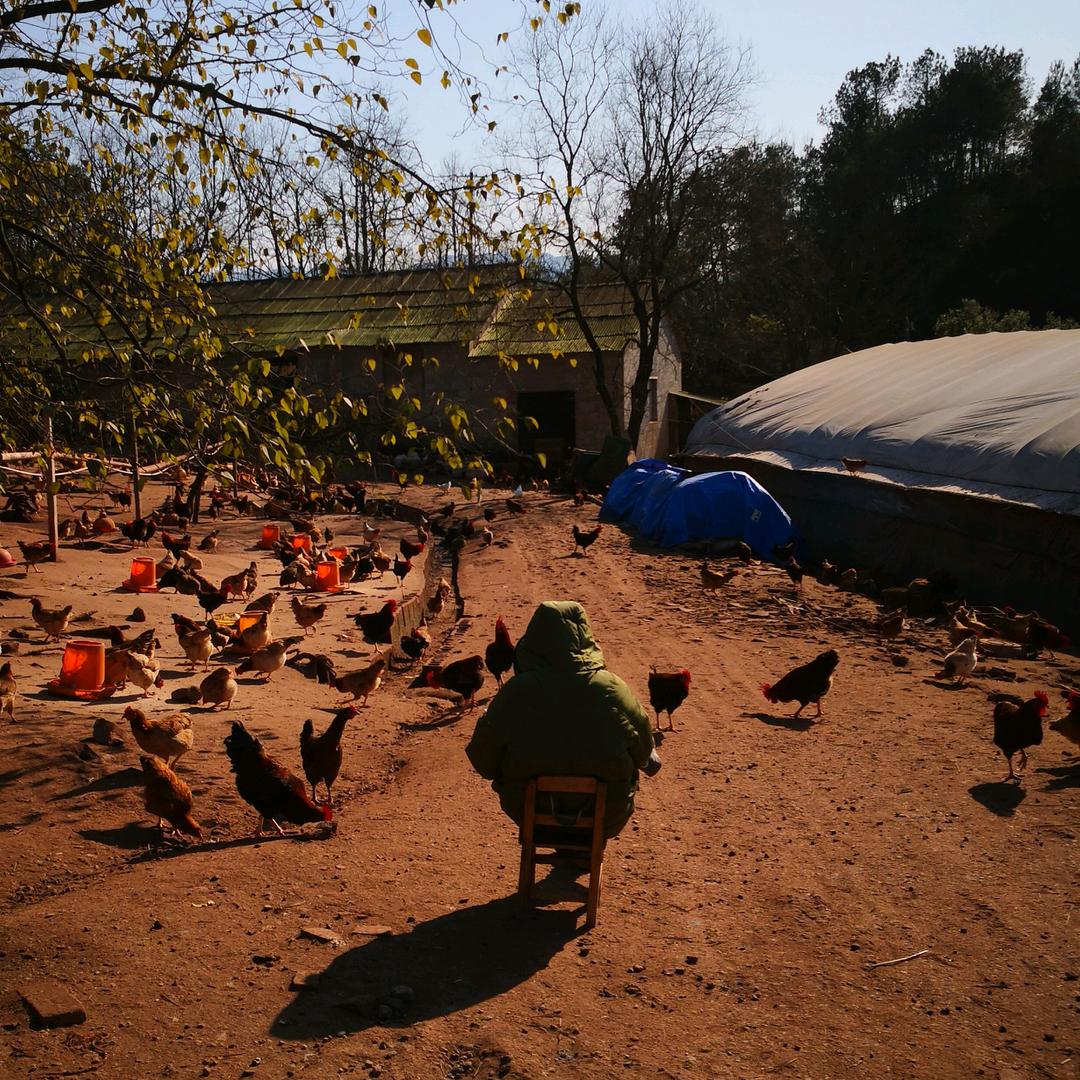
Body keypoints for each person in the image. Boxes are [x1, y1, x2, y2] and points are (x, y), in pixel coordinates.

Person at [465, 600, 661, 840]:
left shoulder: (515, 692)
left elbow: (483, 761)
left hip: (529, 811)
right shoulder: (613, 688)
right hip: (606, 813)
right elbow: (644, 754)